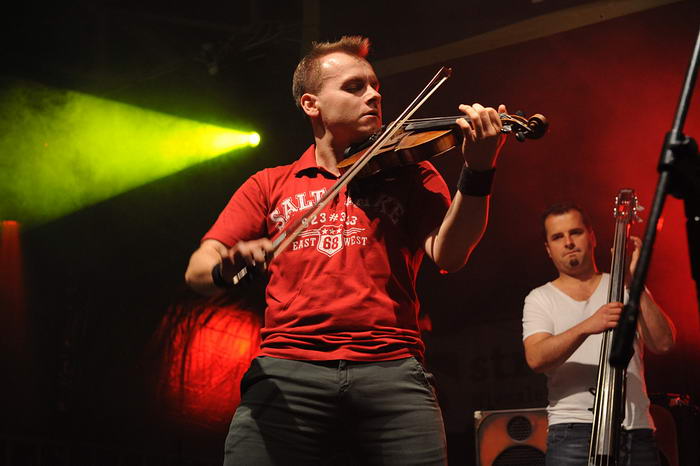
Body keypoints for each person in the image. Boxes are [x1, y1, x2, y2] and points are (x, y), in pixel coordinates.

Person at [185, 35, 508, 465]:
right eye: (354, 87)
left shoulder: (412, 173)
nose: (374, 95)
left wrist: (479, 170)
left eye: (375, 86)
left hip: (391, 368)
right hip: (288, 368)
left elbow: (450, 254)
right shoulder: (269, 183)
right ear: (311, 104)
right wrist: (228, 265)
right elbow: (198, 270)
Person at [522, 202, 676, 466]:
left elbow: (663, 343)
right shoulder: (540, 298)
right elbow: (536, 358)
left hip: (636, 429)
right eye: (558, 237)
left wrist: (634, 282)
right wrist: (588, 325)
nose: (568, 242)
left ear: (592, 237)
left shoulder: (623, 285)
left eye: (575, 232)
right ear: (548, 249)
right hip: (573, 430)